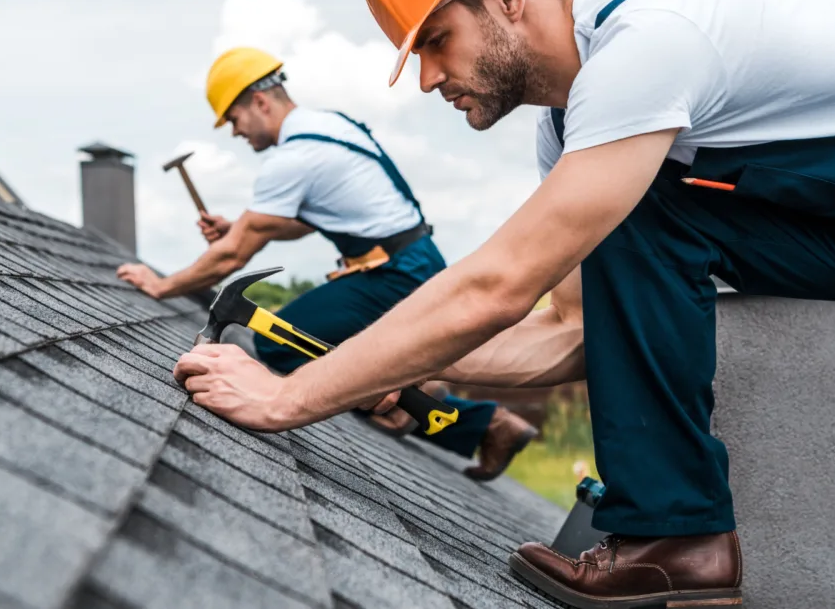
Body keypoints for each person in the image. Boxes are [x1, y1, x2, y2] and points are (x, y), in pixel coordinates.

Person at [171, 0, 835, 606]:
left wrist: (288, 395)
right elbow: (571, 332)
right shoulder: (576, 131)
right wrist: (372, 367)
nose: (426, 79)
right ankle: (676, 535)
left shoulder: (649, 45)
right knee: (642, 210)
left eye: (436, 41)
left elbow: (499, 284)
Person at [117, 46, 537, 481]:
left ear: (260, 102)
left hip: (392, 274)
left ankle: (445, 410)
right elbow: (300, 223)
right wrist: (238, 227)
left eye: (235, 120)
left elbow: (233, 255)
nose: (236, 133)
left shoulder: (294, 156)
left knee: (279, 343)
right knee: (336, 351)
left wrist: (162, 285)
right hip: (409, 262)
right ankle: (435, 404)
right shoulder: (328, 127)